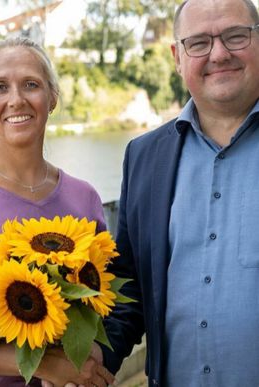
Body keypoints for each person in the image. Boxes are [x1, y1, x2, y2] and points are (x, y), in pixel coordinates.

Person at [99, 0, 259, 385]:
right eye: (199, 42)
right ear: (177, 56)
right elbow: (130, 287)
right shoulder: (143, 156)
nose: (219, 54)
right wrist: (92, 358)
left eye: (235, 36)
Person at [0, 37, 115, 387]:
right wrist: (48, 367)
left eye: (31, 85)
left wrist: (89, 357)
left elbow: (98, 310)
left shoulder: (84, 199)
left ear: (52, 98)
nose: (16, 100)